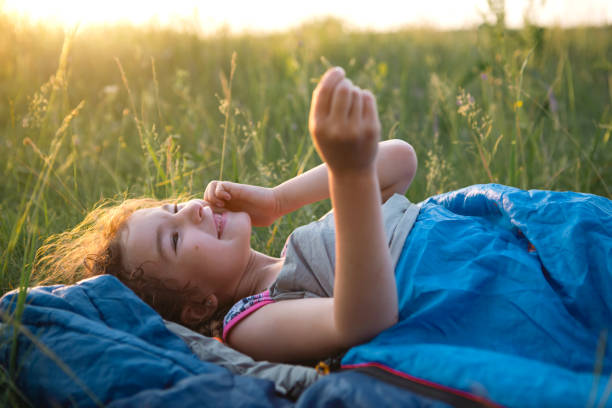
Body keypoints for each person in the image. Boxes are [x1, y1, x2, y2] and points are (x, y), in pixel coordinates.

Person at [36, 66, 418, 363]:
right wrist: (349, 175)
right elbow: (364, 321)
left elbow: (399, 160)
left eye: (174, 208)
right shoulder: (250, 323)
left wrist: (278, 200)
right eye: (175, 238)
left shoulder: (300, 245)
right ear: (199, 304)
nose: (192, 210)